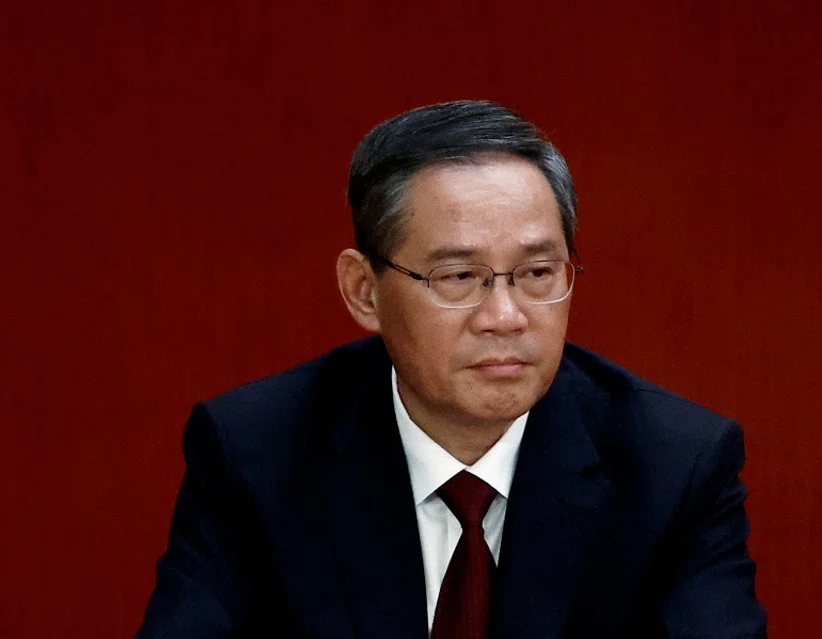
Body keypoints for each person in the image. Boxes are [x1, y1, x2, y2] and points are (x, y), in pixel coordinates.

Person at [137, 100, 767, 638]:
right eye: (459, 277)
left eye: (537, 273)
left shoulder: (675, 466)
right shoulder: (255, 454)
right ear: (364, 291)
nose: (505, 315)